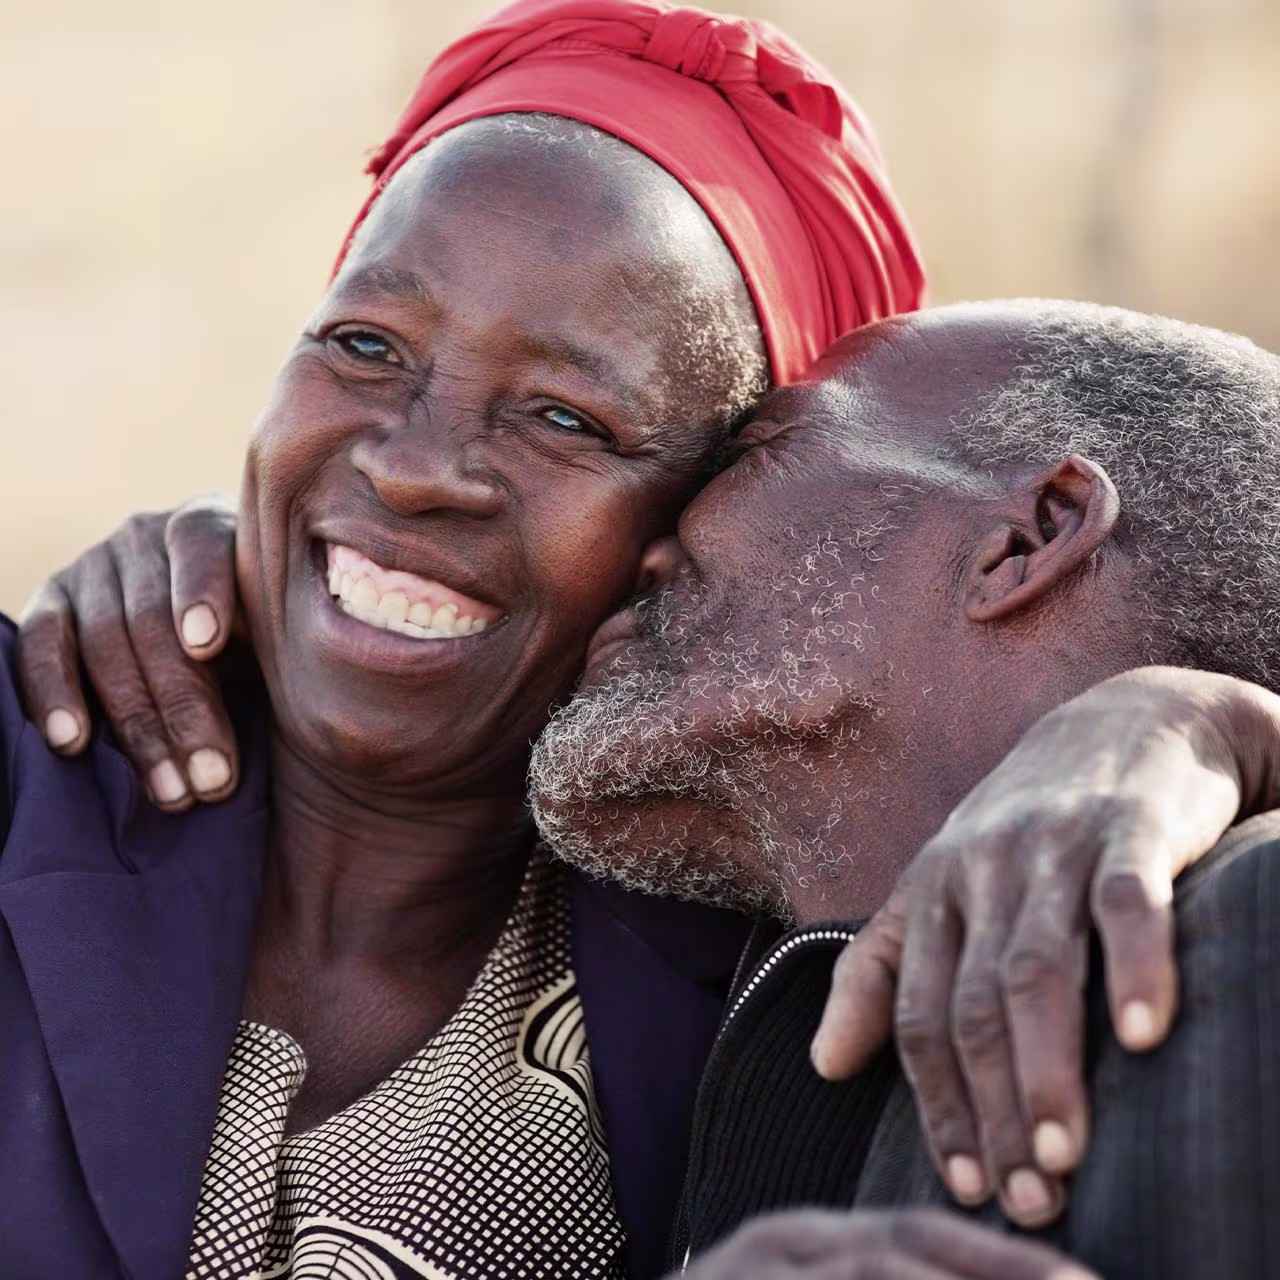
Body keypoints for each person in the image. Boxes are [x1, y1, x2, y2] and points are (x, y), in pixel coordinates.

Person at [0, 2, 932, 1276]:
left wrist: (1188, 725)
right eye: (366, 345)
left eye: (564, 416)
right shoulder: (31, 762)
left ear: (707, 519)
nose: (416, 465)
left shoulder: (779, 980)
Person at [526, 298, 1280, 1277]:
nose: (647, 542)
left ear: (1029, 534)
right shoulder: (709, 992)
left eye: (754, 450)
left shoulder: (1243, 935)